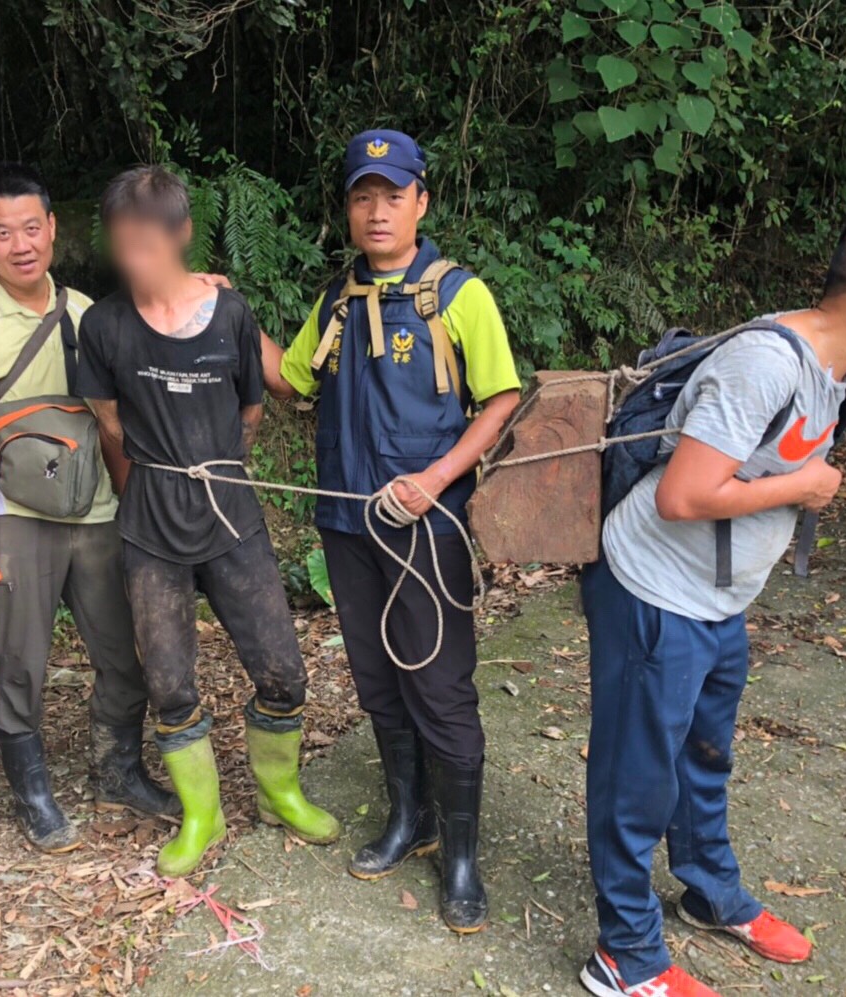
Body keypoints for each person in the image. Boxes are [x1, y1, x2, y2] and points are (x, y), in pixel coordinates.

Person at [578, 197, 846, 997]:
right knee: (635, 779)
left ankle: (709, 890)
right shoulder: (766, 365)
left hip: (719, 600)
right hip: (655, 590)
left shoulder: (840, 367)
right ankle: (624, 955)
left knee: (703, 758)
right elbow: (682, 495)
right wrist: (805, 486)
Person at [261, 131, 521, 932]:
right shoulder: (336, 300)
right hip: (346, 522)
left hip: (424, 526)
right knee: (377, 681)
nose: (377, 211)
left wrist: (438, 479)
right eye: (362, 196)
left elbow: (503, 399)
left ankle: (463, 855)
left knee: (440, 687)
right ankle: (411, 817)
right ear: (348, 208)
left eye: (393, 195)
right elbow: (291, 379)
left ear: (421, 202)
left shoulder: (459, 295)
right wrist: (222, 315)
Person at [74, 165, 341, 878]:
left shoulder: (230, 314)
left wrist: (214, 469)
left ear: (182, 234)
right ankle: (203, 813)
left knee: (282, 668)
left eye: (148, 243)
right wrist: (157, 482)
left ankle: (280, 793)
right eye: (123, 244)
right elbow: (109, 425)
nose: (135, 258)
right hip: (150, 525)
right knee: (168, 683)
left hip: (231, 514)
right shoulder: (103, 326)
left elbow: (253, 410)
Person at [0, 163, 179, 855]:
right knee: (19, 657)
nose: (21, 245)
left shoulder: (88, 313)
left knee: (122, 649)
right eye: (2, 233)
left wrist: (134, 503)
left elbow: (116, 420)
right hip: (9, 511)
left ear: (53, 228)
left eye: (31, 228)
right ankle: (31, 791)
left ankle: (117, 770)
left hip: (93, 507)